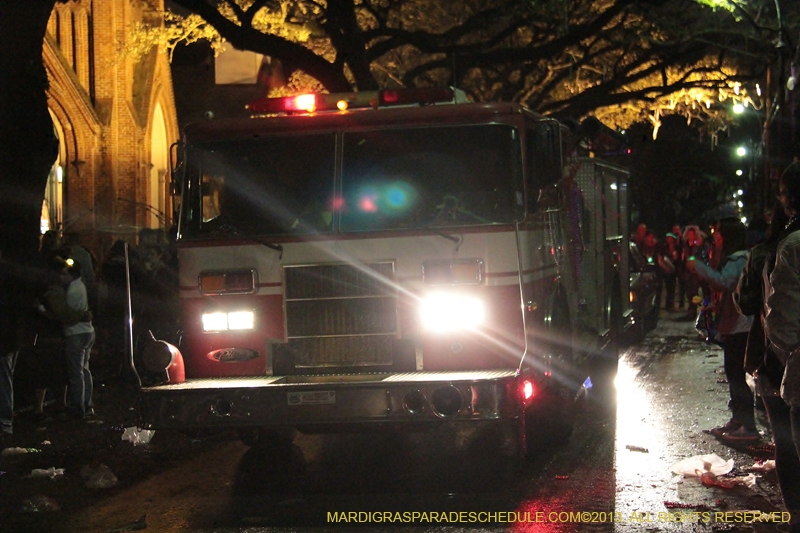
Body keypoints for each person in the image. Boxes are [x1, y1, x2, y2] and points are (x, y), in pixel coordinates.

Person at [735, 198, 799, 530]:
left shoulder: (769, 252)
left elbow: (747, 303)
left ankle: (795, 516)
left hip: (774, 360)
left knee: (786, 443)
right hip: (782, 359)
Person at [688, 216, 756, 440]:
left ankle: (748, 426)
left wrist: (696, 266)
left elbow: (725, 282)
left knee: (736, 374)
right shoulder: (734, 257)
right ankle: (738, 420)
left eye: (717, 233)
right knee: (733, 372)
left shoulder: (738, 259)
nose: (714, 237)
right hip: (735, 323)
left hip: (740, 325)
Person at [62, 263, 95, 419]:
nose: (62, 277)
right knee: (85, 370)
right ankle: (88, 404)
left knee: (76, 373)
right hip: (88, 332)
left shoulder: (72, 290)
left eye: (64, 274)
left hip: (76, 333)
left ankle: (77, 407)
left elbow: (67, 314)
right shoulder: (81, 285)